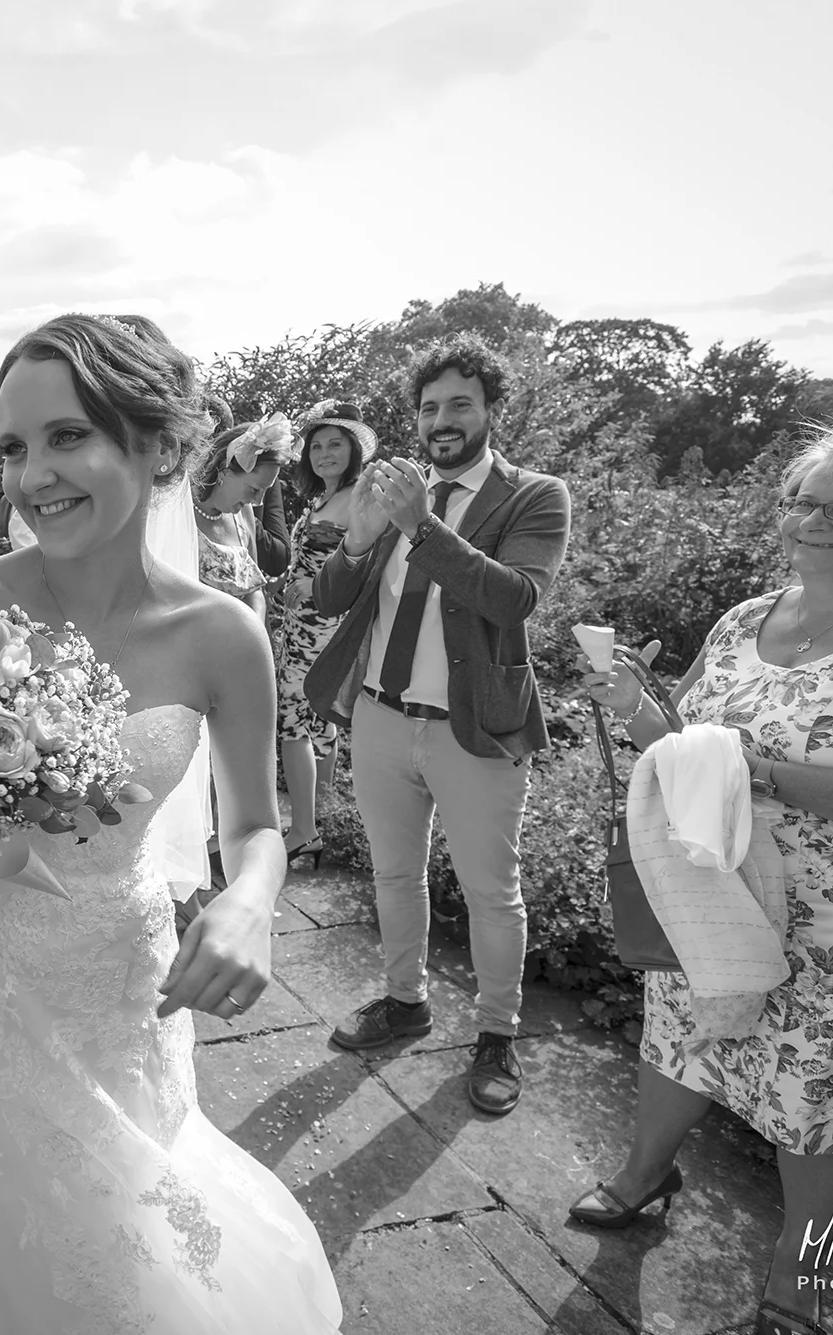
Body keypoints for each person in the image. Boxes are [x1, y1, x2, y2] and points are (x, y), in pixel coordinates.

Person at [0, 313, 344, 1332]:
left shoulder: (222, 635)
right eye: (12, 446)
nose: (32, 475)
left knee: (117, 1247)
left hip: (114, 985)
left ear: (156, 444)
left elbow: (255, 823)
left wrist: (250, 898)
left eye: (66, 436)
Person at [574, 421, 833, 1335]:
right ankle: (647, 1173)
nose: (817, 521)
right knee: (683, 1038)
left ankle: (798, 1275)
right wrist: (631, 705)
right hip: (719, 885)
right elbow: (688, 747)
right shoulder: (744, 619)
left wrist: (760, 773)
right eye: (806, 501)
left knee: (827, 1095)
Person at [305, 336, 571, 1118]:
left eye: (460, 404)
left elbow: (514, 598)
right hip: (382, 716)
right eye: (429, 407)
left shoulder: (534, 495)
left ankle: (497, 1034)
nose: (442, 419)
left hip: (474, 728)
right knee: (393, 874)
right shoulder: (396, 489)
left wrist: (422, 526)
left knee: (493, 892)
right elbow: (329, 598)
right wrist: (359, 538)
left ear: (492, 409)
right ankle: (404, 1000)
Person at [272, 398, 376, 862]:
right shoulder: (322, 498)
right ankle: (324, 817)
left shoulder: (359, 497)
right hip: (301, 624)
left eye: (335, 444)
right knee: (320, 721)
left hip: (325, 626)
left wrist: (312, 584)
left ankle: (304, 829)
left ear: (354, 450)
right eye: (316, 446)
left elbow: (366, 561)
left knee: (294, 721)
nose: (324, 453)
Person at [191, 416, 290, 614]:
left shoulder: (244, 514)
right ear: (224, 473)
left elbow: (254, 590)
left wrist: (256, 633)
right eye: (254, 489)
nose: (258, 501)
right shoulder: (179, 507)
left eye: (265, 491)